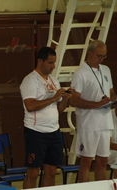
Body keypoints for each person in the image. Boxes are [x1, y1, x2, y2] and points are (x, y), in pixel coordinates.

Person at [20, 47, 72, 188]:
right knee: (33, 172)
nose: (53, 67)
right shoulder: (30, 80)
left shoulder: (54, 81)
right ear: (40, 61)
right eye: (50, 63)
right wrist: (54, 97)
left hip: (54, 131)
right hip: (35, 131)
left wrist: (65, 99)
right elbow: (30, 106)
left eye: (54, 63)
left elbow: (59, 110)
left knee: (51, 171)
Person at [69, 40, 117, 182]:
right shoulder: (80, 73)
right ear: (90, 53)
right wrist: (96, 104)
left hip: (105, 122)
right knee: (86, 162)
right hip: (89, 124)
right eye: (99, 56)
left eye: (104, 56)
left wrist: (115, 101)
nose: (101, 59)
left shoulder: (106, 70)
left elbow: (112, 92)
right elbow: (73, 100)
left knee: (103, 161)